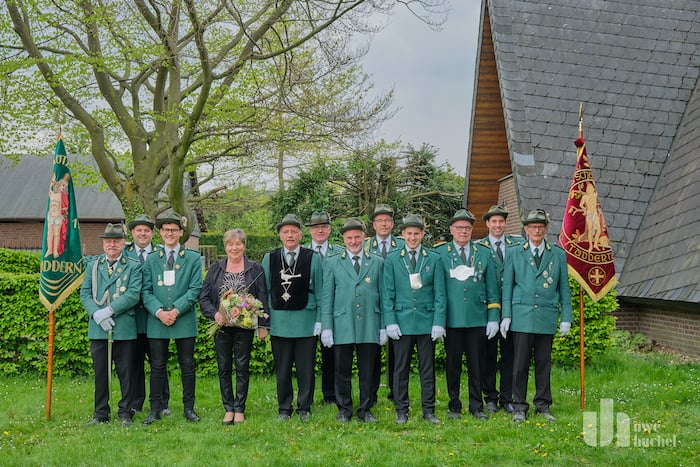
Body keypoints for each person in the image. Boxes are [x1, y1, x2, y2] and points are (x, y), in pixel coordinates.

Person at [501, 209, 573, 423]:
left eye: (540, 227)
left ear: (546, 229)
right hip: (521, 317)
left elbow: (564, 288)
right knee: (519, 365)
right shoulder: (515, 252)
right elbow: (507, 286)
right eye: (533, 227)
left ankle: (543, 405)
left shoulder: (557, 254)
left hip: (545, 316)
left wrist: (566, 317)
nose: (537, 230)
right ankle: (519, 407)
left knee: (543, 364)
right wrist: (506, 315)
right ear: (526, 229)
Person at [435, 209, 500, 421]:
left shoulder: (483, 253)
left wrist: (493, 317)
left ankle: (476, 406)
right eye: (459, 227)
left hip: (476, 318)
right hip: (452, 319)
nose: (463, 231)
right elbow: (438, 290)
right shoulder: (440, 254)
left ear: (472, 230)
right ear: (451, 229)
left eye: (467, 228)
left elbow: (492, 288)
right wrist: (439, 321)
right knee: (452, 366)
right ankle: (454, 406)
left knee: (477, 365)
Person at [200, 229, 270, 425]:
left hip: (244, 327)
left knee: (242, 367)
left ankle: (239, 408)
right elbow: (204, 298)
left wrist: (263, 325)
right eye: (230, 244)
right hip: (221, 327)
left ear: (244, 245)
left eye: (238, 244)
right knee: (223, 368)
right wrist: (215, 314)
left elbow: (263, 296)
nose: (234, 248)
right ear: (225, 247)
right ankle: (228, 408)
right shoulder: (215, 269)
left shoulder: (255, 269)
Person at [382, 213, 446, 425]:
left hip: (426, 321)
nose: (412, 237)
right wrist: (390, 321)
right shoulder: (392, 259)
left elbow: (440, 293)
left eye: (416, 234)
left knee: (427, 369)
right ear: (402, 234)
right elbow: (387, 293)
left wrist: (438, 321)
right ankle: (401, 410)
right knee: (400, 369)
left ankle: (429, 410)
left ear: (422, 234)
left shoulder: (434, 258)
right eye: (409, 233)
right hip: (402, 322)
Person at [320, 218, 385, 423]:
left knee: (368, 370)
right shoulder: (332, 262)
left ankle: (366, 409)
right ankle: (344, 409)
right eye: (349, 238)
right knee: (342, 370)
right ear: (343, 239)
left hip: (369, 322)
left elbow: (383, 295)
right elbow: (327, 297)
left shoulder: (377, 262)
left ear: (364, 237)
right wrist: (326, 327)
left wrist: (384, 326)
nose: (353, 241)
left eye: (357, 237)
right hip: (342, 323)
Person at [141, 211, 203, 425]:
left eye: (174, 230)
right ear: (160, 232)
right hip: (157, 320)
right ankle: (155, 409)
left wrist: (176, 311)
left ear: (181, 232)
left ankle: (189, 408)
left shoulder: (193, 258)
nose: (169, 233)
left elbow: (195, 290)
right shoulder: (151, 259)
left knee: (187, 365)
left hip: (183, 319)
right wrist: (160, 312)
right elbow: (145, 291)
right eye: (166, 230)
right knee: (157, 366)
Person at [262, 214, 323, 421]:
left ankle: (304, 408)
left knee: (306, 369)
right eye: (286, 232)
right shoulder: (270, 258)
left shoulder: (312, 257)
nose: (290, 235)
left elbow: (320, 291)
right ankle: (284, 408)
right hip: (279, 322)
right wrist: (264, 322)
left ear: (300, 234)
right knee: (283, 369)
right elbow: (264, 291)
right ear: (280, 235)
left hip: (305, 322)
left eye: (294, 231)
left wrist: (320, 320)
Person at [80, 223, 142, 427]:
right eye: (108, 241)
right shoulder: (93, 265)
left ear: (123, 244)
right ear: (103, 244)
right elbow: (85, 293)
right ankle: (100, 413)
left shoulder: (133, 266)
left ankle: (126, 413)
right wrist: (96, 314)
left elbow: (133, 294)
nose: (112, 245)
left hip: (123, 327)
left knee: (126, 373)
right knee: (101, 373)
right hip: (99, 328)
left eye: (116, 241)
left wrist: (110, 310)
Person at [123, 214, 169, 416]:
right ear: (132, 233)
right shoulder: (124, 253)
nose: (142, 234)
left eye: (146, 230)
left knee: (159, 361)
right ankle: (136, 402)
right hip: (133, 317)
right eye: (138, 230)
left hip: (155, 316)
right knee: (135, 362)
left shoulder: (161, 253)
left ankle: (163, 403)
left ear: (152, 233)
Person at [478, 205, 522, 414]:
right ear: (487, 223)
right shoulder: (479, 247)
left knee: (510, 356)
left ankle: (507, 397)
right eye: (494, 221)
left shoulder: (517, 245)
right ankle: (490, 397)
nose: (497, 225)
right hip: (488, 311)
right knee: (487, 356)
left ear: (505, 223)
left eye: (501, 221)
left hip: (512, 310)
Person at [364, 203, 405, 405]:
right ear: (373, 225)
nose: (384, 224)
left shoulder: (403, 245)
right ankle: (370, 394)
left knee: (397, 352)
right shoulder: (364, 246)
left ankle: (396, 392)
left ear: (393, 223)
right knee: (371, 351)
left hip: (396, 304)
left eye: (387, 220)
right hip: (371, 304)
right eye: (379, 220)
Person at [304, 210, 340, 405]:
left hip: (334, 309)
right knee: (307, 356)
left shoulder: (340, 252)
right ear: (310, 230)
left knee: (332, 355)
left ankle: (331, 395)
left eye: (324, 226)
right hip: (309, 309)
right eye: (316, 227)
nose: (320, 230)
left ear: (329, 229)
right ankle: (306, 396)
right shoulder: (302, 252)